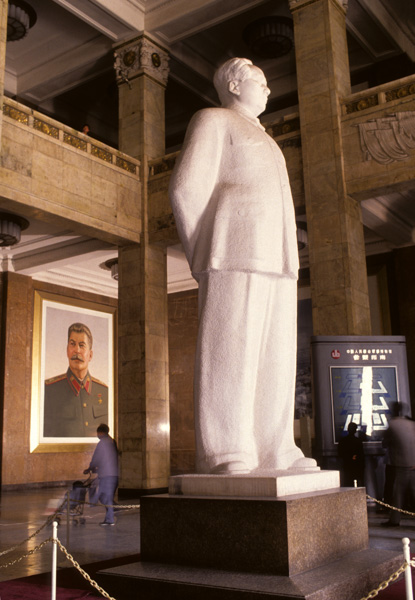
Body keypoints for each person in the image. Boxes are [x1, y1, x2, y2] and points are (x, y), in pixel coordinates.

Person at [169, 57, 316, 474]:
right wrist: (204, 251)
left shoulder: (265, 137)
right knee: (230, 347)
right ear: (234, 84)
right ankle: (225, 449)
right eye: (261, 82)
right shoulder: (213, 119)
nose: (269, 90)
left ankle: (275, 446)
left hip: (277, 252)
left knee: (276, 354)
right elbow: (185, 189)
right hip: (233, 246)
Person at [43, 322, 108, 437]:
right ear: (67, 350)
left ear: (90, 355)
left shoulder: (105, 392)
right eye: (72, 344)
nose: (77, 350)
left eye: (82, 345)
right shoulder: (49, 390)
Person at [381, 402, 415, 527]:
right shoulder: (411, 423)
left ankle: (394, 520)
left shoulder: (393, 425)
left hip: (402, 465)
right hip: (413, 464)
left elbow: (384, 443)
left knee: (398, 494)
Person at [84, 423, 119, 526]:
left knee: (104, 496)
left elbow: (97, 457)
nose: (97, 435)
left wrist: (90, 467)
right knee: (106, 496)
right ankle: (113, 510)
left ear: (101, 432)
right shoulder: (112, 441)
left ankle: (110, 519)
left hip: (107, 475)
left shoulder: (103, 443)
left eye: (98, 433)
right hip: (114, 474)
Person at [338, 422, 365, 487]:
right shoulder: (358, 441)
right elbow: (361, 454)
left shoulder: (342, 441)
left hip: (347, 465)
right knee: (358, 483)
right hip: (357, 466)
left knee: (347, 483)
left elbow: (340, 453)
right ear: (355, 430)